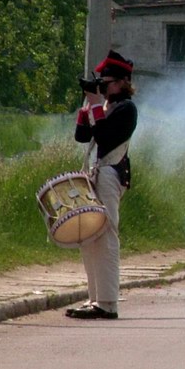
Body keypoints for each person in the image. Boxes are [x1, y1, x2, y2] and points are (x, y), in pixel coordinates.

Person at [67, 50, 138, 319]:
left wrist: (97, 105)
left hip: (111, 173)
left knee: (106, 235)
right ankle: (94, 299)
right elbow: (82, 136)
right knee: (89, 238)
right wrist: (88, 107)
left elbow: (107, 139)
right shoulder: (104, 106)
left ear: (121, 82)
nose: (103, 86)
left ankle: (108, 303)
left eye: (107, 82)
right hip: (96, 174)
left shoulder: (126, 108)